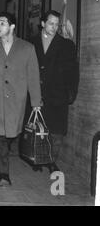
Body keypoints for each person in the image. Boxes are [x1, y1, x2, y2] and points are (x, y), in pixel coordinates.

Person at [0, 12, 42, 187]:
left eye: (2, 23)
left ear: (12, 26)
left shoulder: (27, 48)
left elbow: (33, 77)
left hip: (17, 100)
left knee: (11, 135)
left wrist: (36, 102)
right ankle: (4, 174)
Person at [31, 10, 79, 173]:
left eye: (57, 24)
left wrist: (70, 94)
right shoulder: (31, 43)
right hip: (37, 95)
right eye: (51, 23)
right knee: (38, 130)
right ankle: (37, 159)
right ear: (43, 24)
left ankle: (51, 161)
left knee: (57, 133)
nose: (54, 27)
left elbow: (73, 71)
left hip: (58, 95)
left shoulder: (67, 45)